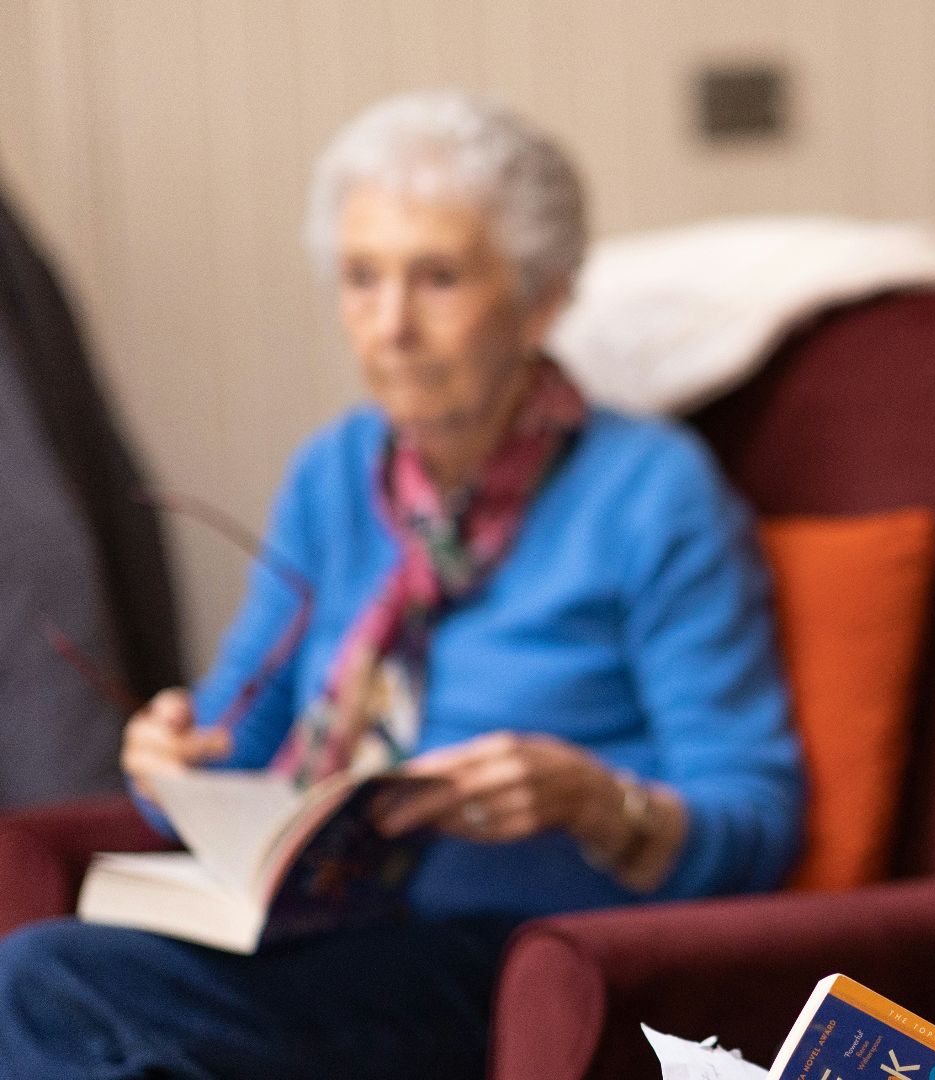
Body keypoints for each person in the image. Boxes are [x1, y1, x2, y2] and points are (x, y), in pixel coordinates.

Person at [0, 92, 802, 1079]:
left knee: (50, 986)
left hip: (528, 957)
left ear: (542, 297)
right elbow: (234, 745)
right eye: (361, 278)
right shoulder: (334, 474)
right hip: (325, 942)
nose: (392, 326)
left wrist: (595, 803)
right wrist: (168, 758)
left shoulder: (652, 492)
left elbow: (757, 823)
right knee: (62, 988)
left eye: (439, 279)